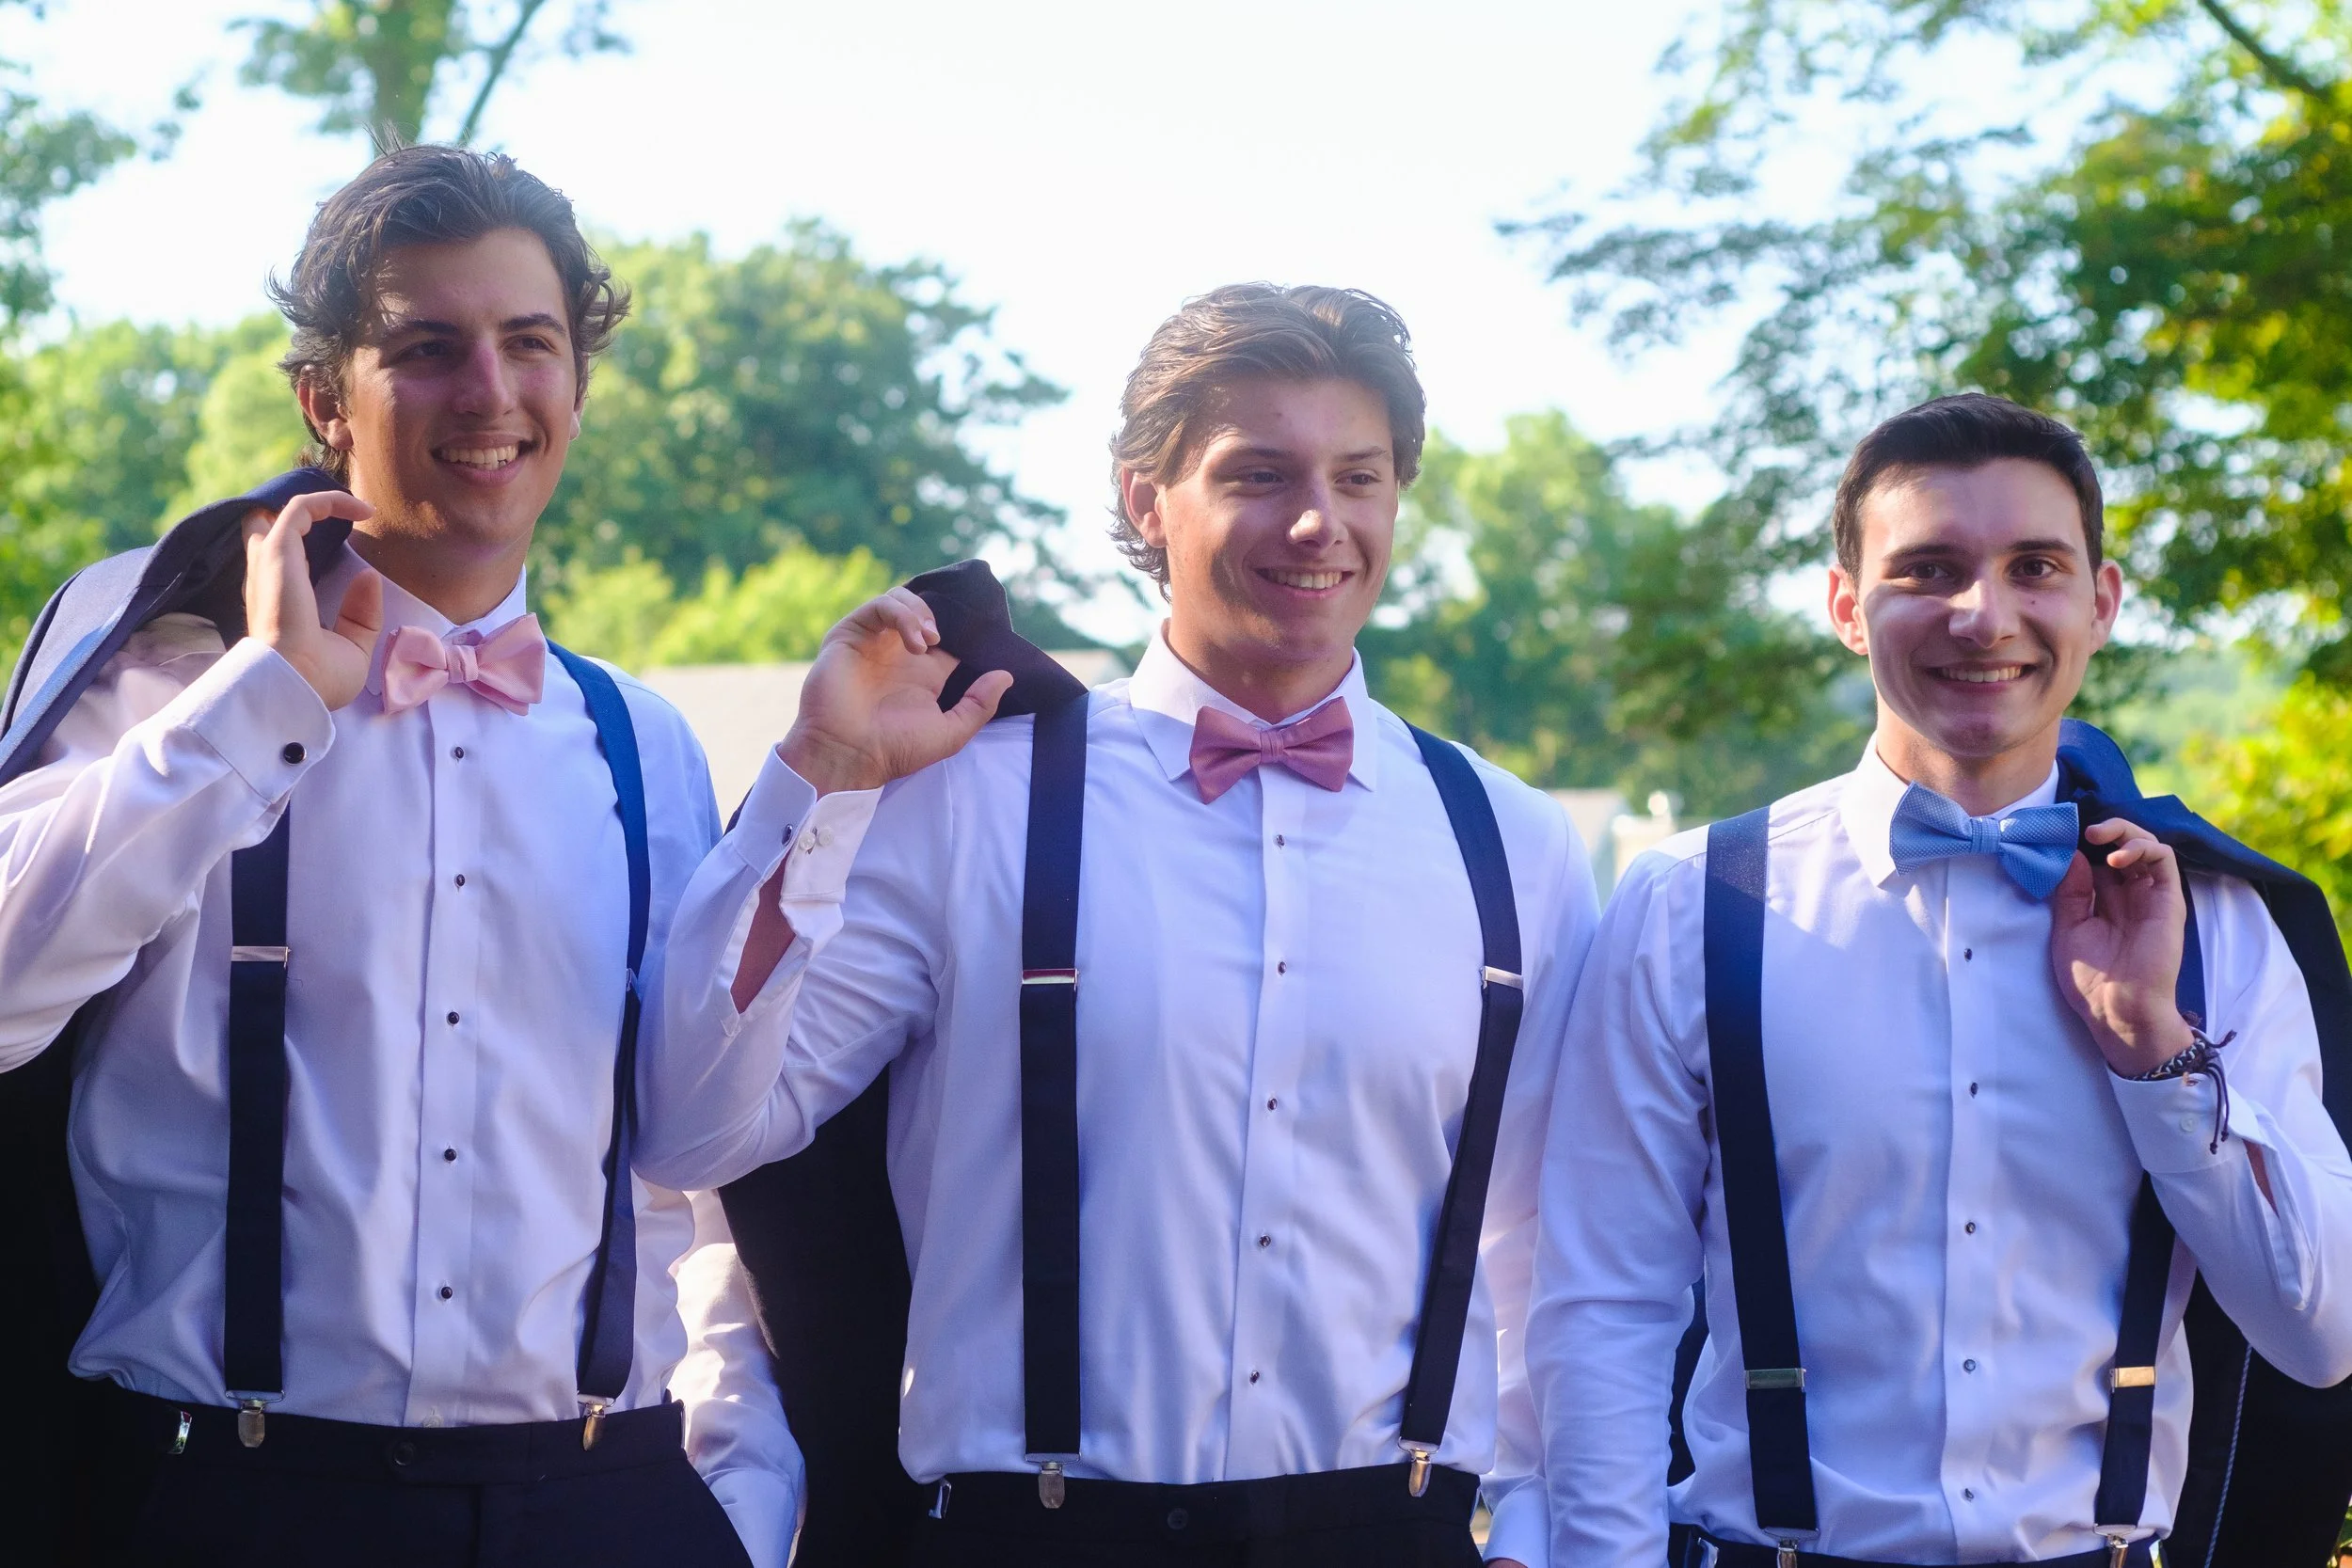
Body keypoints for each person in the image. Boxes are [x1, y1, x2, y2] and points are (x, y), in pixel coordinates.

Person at [651, 283, 1597, 1566]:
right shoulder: (966, 801)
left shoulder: (1516, 844)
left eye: (1359, 476)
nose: (1319, 521)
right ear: (1148, 500)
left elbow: (1555, 1253)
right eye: (1259, 472)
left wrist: (1545, 1534)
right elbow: (696, 1122)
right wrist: (816, 776)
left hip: (1393, 1531)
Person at [0, 145, 795, 1566]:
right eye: (428, 349)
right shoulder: (163, 690)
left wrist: (731, 1486)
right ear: (324, 402)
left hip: (603, 1501)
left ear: (577, 383)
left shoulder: (644, 740)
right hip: (238, 1502)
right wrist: (252, 713)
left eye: (529, 344)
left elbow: (689, 1144)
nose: (489, 392)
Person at [1529, 393, 2352, 1567]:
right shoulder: (1686, 903)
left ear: (2099, 601)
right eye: (1928, 568)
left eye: (2034, 565)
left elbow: (2319, 1331)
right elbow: (1602, 1305)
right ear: (1845, 606)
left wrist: (2159, 1049)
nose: (1984, 614)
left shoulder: (2215, 927)